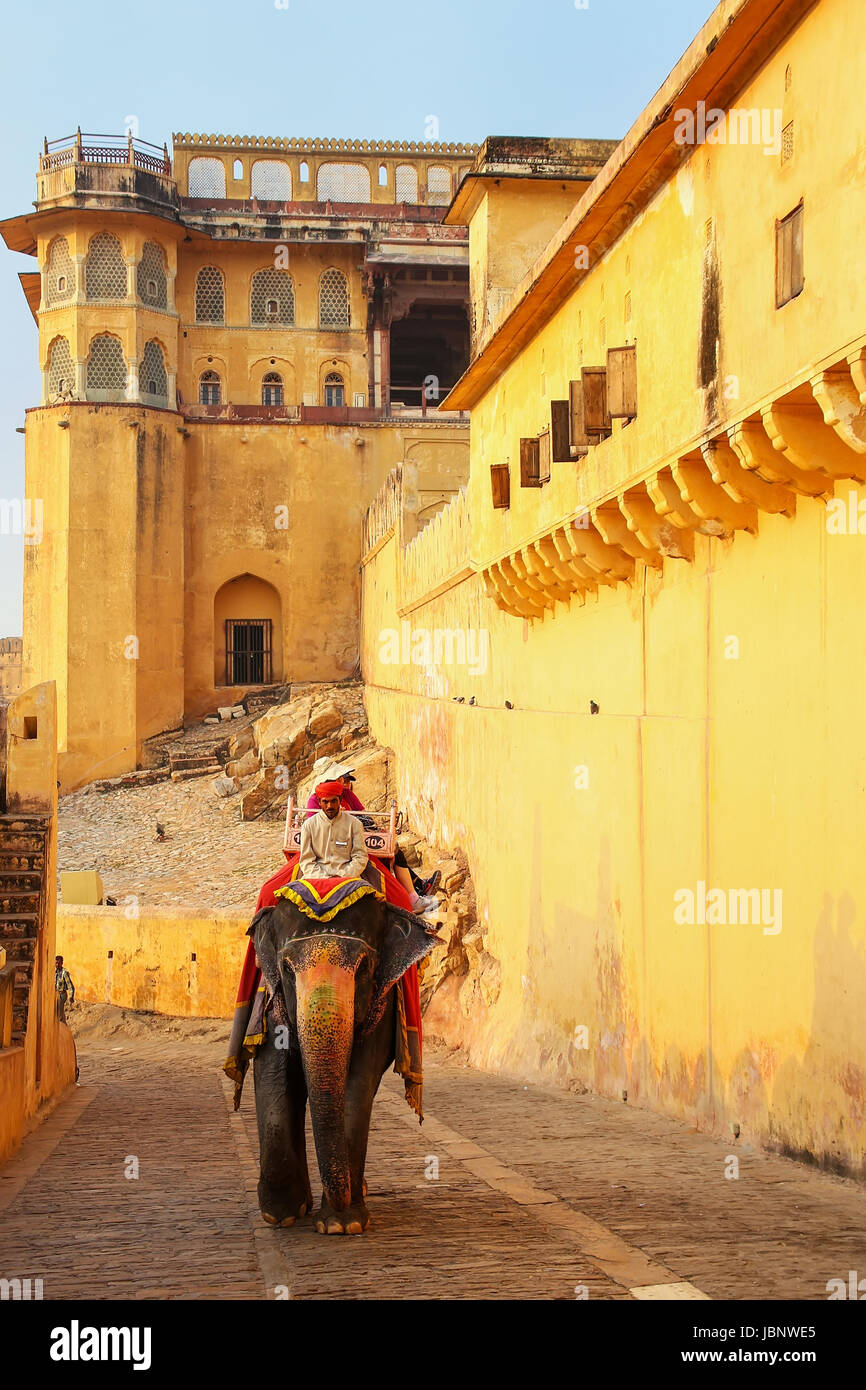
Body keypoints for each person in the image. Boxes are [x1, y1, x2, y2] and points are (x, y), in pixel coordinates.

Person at [305, 760, 440, 913]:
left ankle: (413, 896)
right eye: (337, 779)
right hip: (328, 848)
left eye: (340, 779)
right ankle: (417, 890)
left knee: (393, 851)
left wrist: (371, 830)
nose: (341, 782)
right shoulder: (313, 803)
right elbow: (315, 832)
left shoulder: (347, 795)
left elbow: (364, 818)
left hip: (354, 840)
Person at [298, 780, 370, 879]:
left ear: (340, 800)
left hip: (347, 878)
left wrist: (342, 876)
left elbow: (360, 857)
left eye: (333, 801)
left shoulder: (354, 824)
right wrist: (324, 878)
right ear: (319, 802)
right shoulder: (309, 825)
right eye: (325, 802)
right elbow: (306, 860)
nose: (330, 806)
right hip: (316, 877)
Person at [55, 955, 75, 1023]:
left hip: (62, 994)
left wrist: (71, 996)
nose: (57, 965)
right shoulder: (54, 972)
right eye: (56, 963)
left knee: (60, 1006)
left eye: (59, 963)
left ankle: (62, 1022)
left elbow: (70, 985)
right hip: (56, 994)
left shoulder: (64, 973)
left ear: (62, 963)